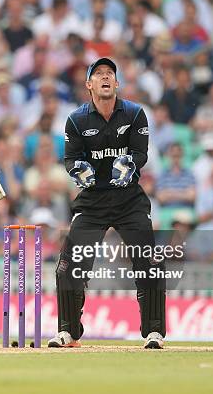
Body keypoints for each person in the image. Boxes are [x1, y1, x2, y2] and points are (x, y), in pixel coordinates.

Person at [48, 58, 165, 349]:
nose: (104, 77)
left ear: (116, 83)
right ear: (89, 84)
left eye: (109, 74)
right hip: (92, 201)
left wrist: (131, 165)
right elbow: (70, 159)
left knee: (149, 262)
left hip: (129, 200)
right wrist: (79, 170)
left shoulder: (136, 114)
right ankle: (68, 331)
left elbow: (141, 154)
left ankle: (154, 332)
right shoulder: (76, 119)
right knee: (68, 265)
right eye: (98, 74)